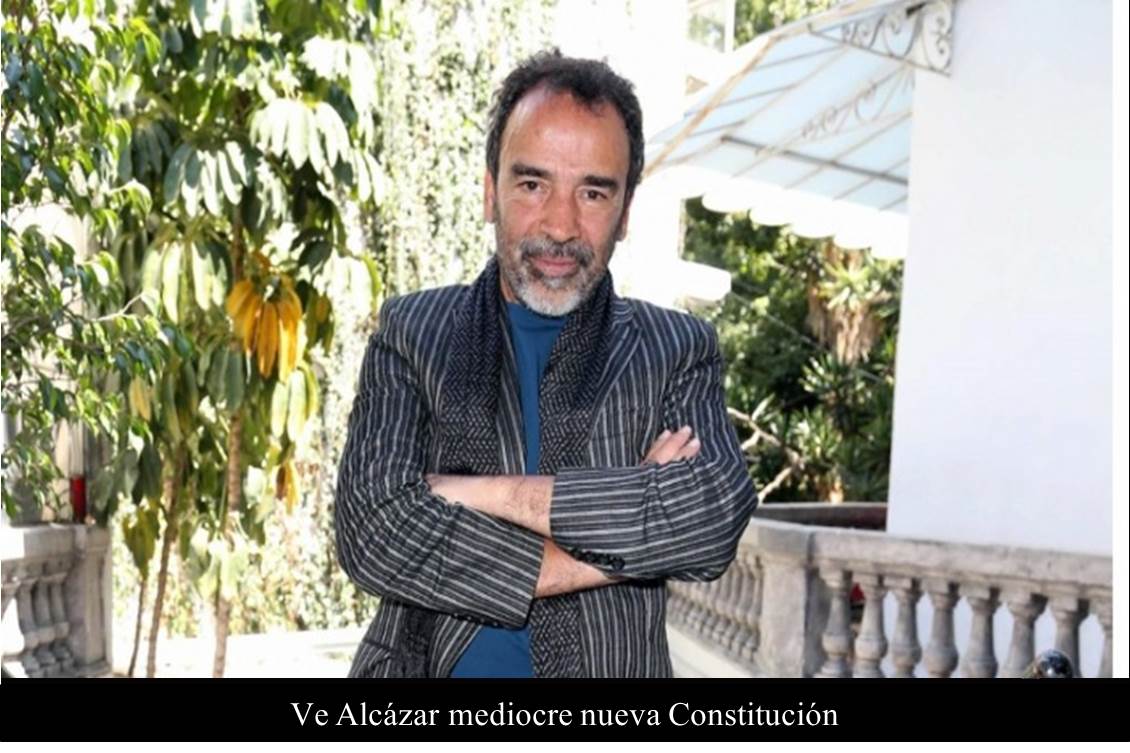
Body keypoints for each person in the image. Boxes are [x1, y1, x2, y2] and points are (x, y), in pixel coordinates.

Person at [335, 50, 758, 678]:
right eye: (533, 185)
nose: (560, 225)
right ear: (491, 192)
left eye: (593, 192)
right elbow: (374, 532)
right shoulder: (415, 332)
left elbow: (711, 518)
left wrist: (475, 492)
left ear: (626, 212)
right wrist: (624, 540)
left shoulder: (676, 349)